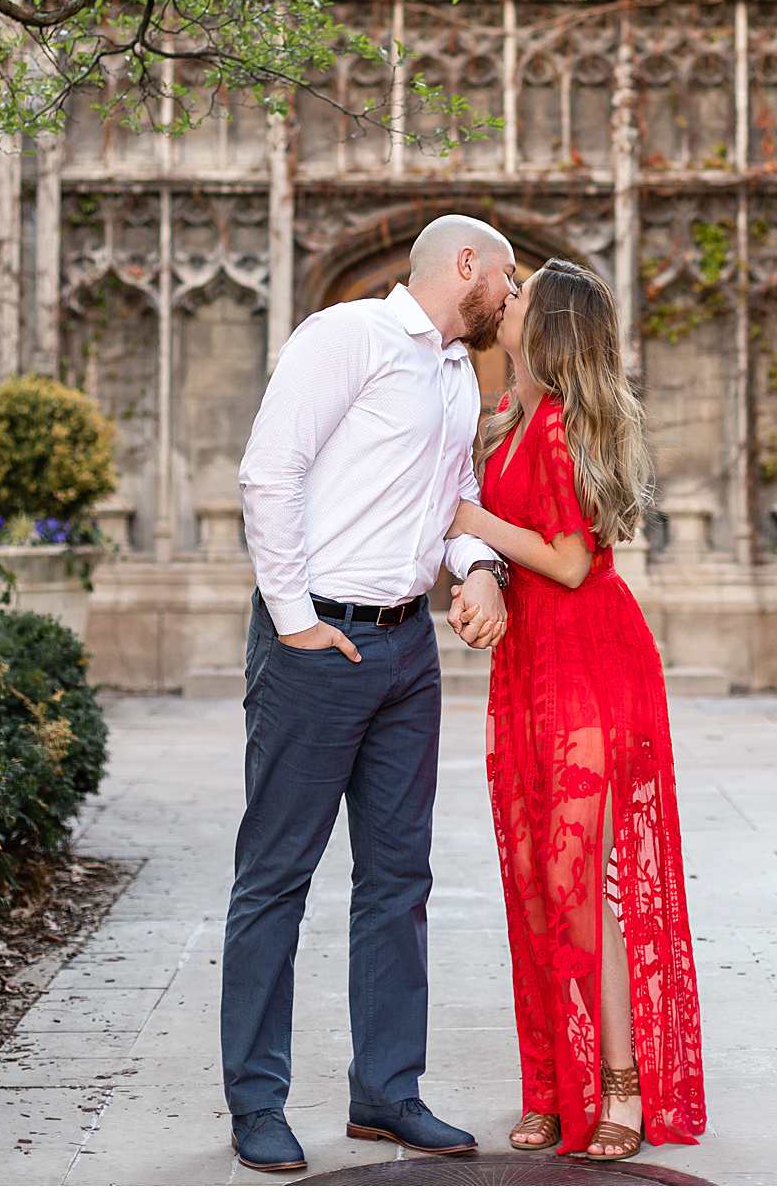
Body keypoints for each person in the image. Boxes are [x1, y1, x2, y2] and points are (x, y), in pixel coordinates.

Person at [220, 214, 516, 1174]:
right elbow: (269, 473)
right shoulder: (345, 337)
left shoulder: (456, 375)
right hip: (320, 645)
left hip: (408, 649)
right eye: (505, 281)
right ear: (464, 265)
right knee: (276, 877)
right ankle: (257, 1102)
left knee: (399, 880)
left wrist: (477, 571)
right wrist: (298, 618)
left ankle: (387, 1094)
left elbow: (453, 494)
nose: (509, 300)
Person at [445, 256, 706, 1161]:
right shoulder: (512, 422)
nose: (502, 302)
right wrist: (481, 575)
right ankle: (554, 1087)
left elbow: (566, 560)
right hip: (531, 665)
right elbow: (522, 562)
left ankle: (624, 1092)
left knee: (574, 885)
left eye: (516, 297)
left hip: (588, 663)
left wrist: (475, 527)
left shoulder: (558, 429)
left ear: (546, 326)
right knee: (531, 883)